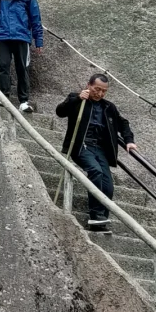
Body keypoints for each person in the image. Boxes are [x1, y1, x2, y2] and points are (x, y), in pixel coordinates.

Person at [57, 73, 138, 232]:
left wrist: (129, 140)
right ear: (88, 85)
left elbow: (123, 123)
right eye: (97, 89)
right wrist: (78, 99)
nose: (100, 93)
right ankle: (95, 215)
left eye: (104, 91)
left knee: (108, 184)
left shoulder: (109, 107)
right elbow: (60, 112)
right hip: (81, 146)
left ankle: (100, 221)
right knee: (95, 171)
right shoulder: (77, 99)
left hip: (100, 149)